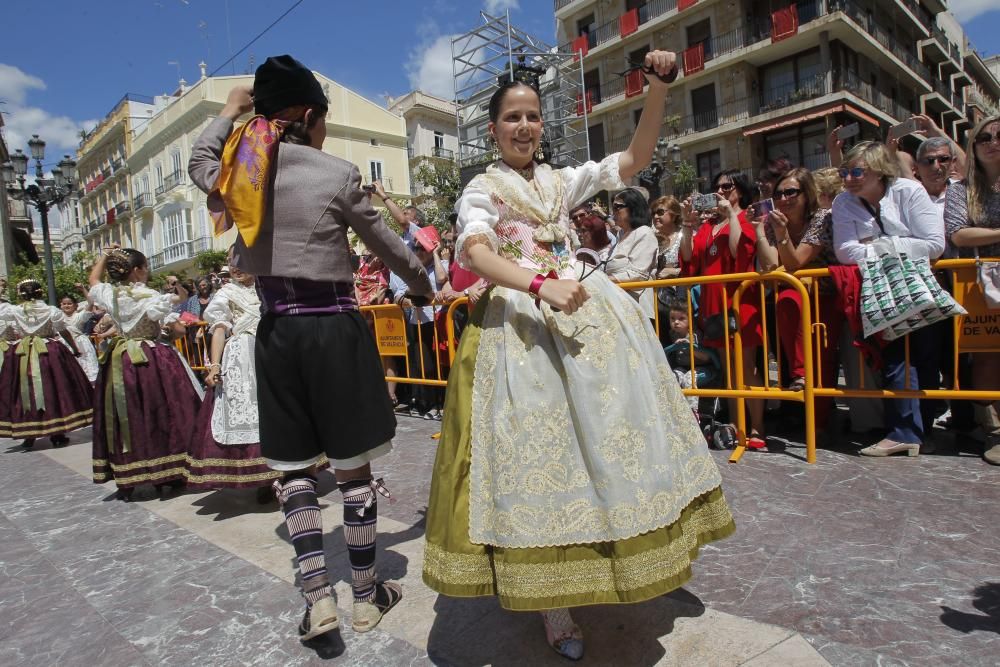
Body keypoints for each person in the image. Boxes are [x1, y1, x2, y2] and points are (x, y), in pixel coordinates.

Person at [422, 51, 734, 661]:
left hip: (587, 317)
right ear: (492, 128)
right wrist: (540, 285)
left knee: (614, 441)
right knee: (539, 459)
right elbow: (477, 254)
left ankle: (627, 559)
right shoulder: (482, 188)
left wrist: (657, 90)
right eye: (512, 117)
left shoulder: (560, 180)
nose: (524, 127)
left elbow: (633, 160)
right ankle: (553, 601)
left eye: (533, 116)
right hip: (519, 331)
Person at [188, 55, 434, 641]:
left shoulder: (237, 171)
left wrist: (229, 109)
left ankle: (319, 598)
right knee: (352, 469)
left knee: (294, 469)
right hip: (333, 330)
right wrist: (424, 283)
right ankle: (368, 596)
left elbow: (199, 160)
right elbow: (388, 246)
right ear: (309, 116)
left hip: (275, 333)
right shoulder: (335, 173)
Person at [832, 141, 945, 457]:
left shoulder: (909, 191)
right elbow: (845, 251)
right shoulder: (843, 202)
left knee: (927, 358)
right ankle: (902, 431)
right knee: (895, 357)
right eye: (845, 171)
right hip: (881, 289)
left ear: (878, 170)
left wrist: (876, 244)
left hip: (921, 286)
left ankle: (922, 430)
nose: (849, 178)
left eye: (857, 171)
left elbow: (935, 244)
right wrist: (898, 245)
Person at [88, 248, 204, 496]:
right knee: (162, 412)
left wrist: (105, 257)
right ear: (138, 270)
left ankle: (128, 475)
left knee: (127, 414)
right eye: (146, 267)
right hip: (152, 359)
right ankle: (168, 473)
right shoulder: (151, 296)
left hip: (120, 360)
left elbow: (94, 280)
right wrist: (176, 330)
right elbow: (178, 331)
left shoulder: (110, 294)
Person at [680, 169, 767, 449]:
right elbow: (690, 261)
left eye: (727, 186)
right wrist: (687, 227)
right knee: (729, 370)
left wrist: (731, 214)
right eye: (716, 187)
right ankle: (738, 423)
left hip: (740, 301)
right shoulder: (708, 225)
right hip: (713, 304)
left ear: (739, 189)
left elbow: (738, 252)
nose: (721, 191)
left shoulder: (744, 218)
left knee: (746, 366)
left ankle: (757, 428)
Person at [186, 261, 286, 494]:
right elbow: (220, 329)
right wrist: (214, 365)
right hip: (243, 358)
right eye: (231, 263)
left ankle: (290, 469)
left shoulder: (270, 286)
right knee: (251, 414)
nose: (236, 267)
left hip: (273, 350)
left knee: (279, 409)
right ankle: (261, 477)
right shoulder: (226, 293)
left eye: (242, 261)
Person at [756, 168, 841, 429]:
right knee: (788, 299)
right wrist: (762, 230)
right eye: (779, 193)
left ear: (807, 194)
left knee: (822, 358)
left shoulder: (822, 218)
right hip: (793, 296)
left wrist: (781, 236)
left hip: (825, 294)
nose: (784, 198)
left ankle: (820, 420)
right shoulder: (774, 223)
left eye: (791, 192)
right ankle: (801, 380)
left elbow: (795, 262)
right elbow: (772, 266)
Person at [944, 113, 1000, 465]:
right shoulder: (962, 191)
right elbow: (958, 233)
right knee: (987, 358)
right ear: (974, 148)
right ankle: (994, 429)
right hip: (982, 282)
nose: (994, 143)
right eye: (985, 138)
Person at [3, 280, 93, 448]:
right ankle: (57, 433)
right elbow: (62, 330)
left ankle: (29, 434)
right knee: (53, 389)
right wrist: (73, 348)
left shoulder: (14, 310)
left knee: (26, 392)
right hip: (48, 352)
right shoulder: (50, 311)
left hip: (24, 353)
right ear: (40, 293)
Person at [388, 238, 447, 419]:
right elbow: (399, 293)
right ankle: (427, 403)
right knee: (424, 366)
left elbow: (442, 279)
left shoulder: (441, 264)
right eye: (416, 248)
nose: (419, 251)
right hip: (417, 321)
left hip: (438, 320)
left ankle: (441, 404)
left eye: (423, 248)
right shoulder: (413, 270)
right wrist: (405, 300)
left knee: (441, 365)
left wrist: (436, 254)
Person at [605, 187, 658, 320]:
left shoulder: (644, 233)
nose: (613, 212)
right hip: (620, 306)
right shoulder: (620, 234)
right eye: (613, 207)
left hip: (638, 309)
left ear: (633, 208)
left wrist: (602, 280)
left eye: (618, 207)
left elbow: (637, 274)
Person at [58, 294, 100, 383]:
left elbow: (91, 303)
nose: (66, 306)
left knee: (87, 370)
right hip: (64, 345)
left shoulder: (80, 315)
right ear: (61, 305)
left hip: (81, 344)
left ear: (75, 305)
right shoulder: (57, 318)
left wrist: (82, 290)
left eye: (69, 303)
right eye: (64, 304)